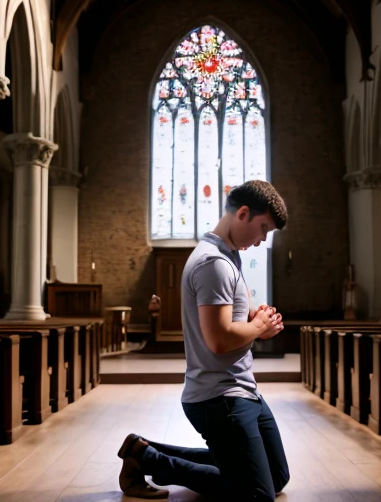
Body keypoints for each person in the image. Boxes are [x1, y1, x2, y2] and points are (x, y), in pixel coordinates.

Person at [117, 180, 290, 501]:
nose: (262, 239)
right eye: (263, 228)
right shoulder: (214, 264)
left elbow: (237, 313)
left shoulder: (228, 256)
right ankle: (148, 459)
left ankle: (144, 449)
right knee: (257, 494)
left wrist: (258, 317)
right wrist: (259, 327)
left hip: (242, 389)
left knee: (277, 476)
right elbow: (219, 340)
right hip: (220, 399)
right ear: (242, 214)